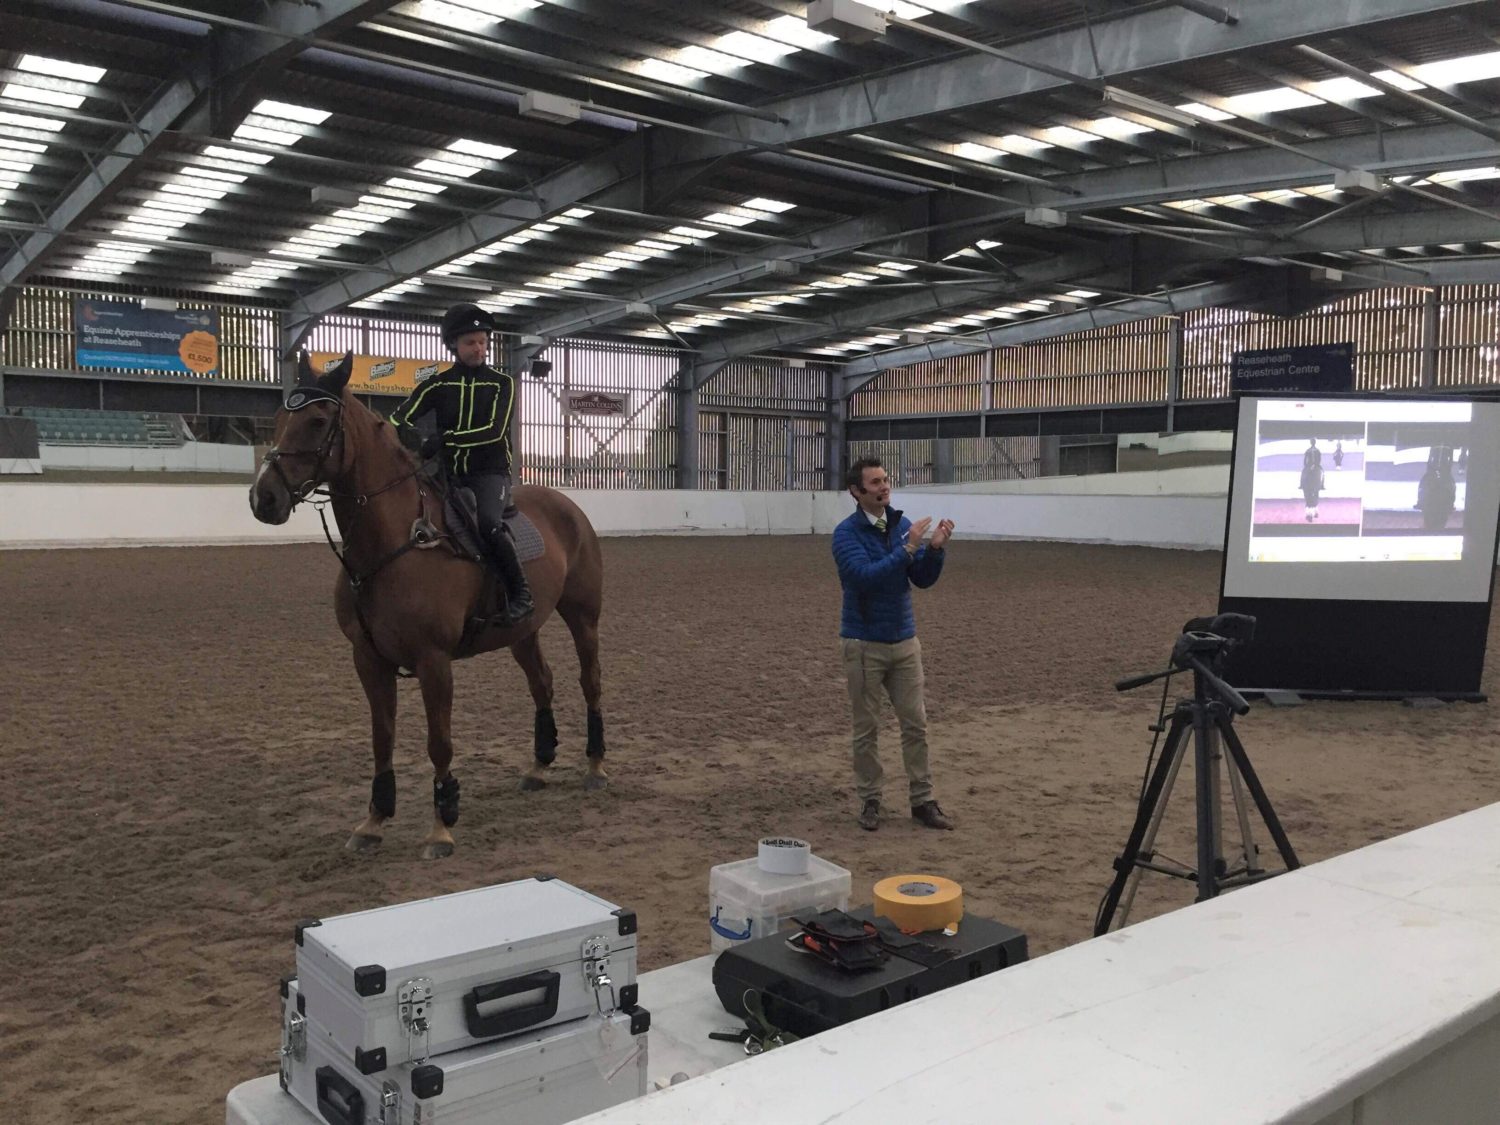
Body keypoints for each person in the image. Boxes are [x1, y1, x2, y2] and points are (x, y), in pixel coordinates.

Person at [390, 302, 533, 627]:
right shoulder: (438, 385)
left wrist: (445, 440)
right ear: (453, 344)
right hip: (449, 475)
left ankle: (521, 593)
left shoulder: (501, 384)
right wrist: (411, 437)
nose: (479, 348)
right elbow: (399, 417)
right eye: (471, 342)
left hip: (489, 474)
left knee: (488, 525)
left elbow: (495, 432)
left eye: (483, 341)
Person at [832, 457, 955, 832]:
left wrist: (933, 550)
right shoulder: (846, 535)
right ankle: (871, 800)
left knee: (915, 724)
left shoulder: (900, 525)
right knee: (866, 729)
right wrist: (906, 550)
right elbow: (863, 579)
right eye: (875, 483)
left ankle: (923, 800)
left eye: (885, 480)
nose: (884, 487)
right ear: (856, 491)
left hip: (903, 641)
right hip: (864, 644)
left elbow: (920, 579)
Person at [1300, 438, 1323, 522]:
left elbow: (1305, 461)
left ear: (1311, 443)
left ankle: (1301, 484)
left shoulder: (1308, 450)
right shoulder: (1317, 451)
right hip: (1316, 466)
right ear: (1314, 443)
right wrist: (1315, 465)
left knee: (1303, 472)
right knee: (1322, 472)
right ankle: (1322, 484)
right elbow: (1319, 460)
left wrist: (1308, 466)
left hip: (1308, 466)